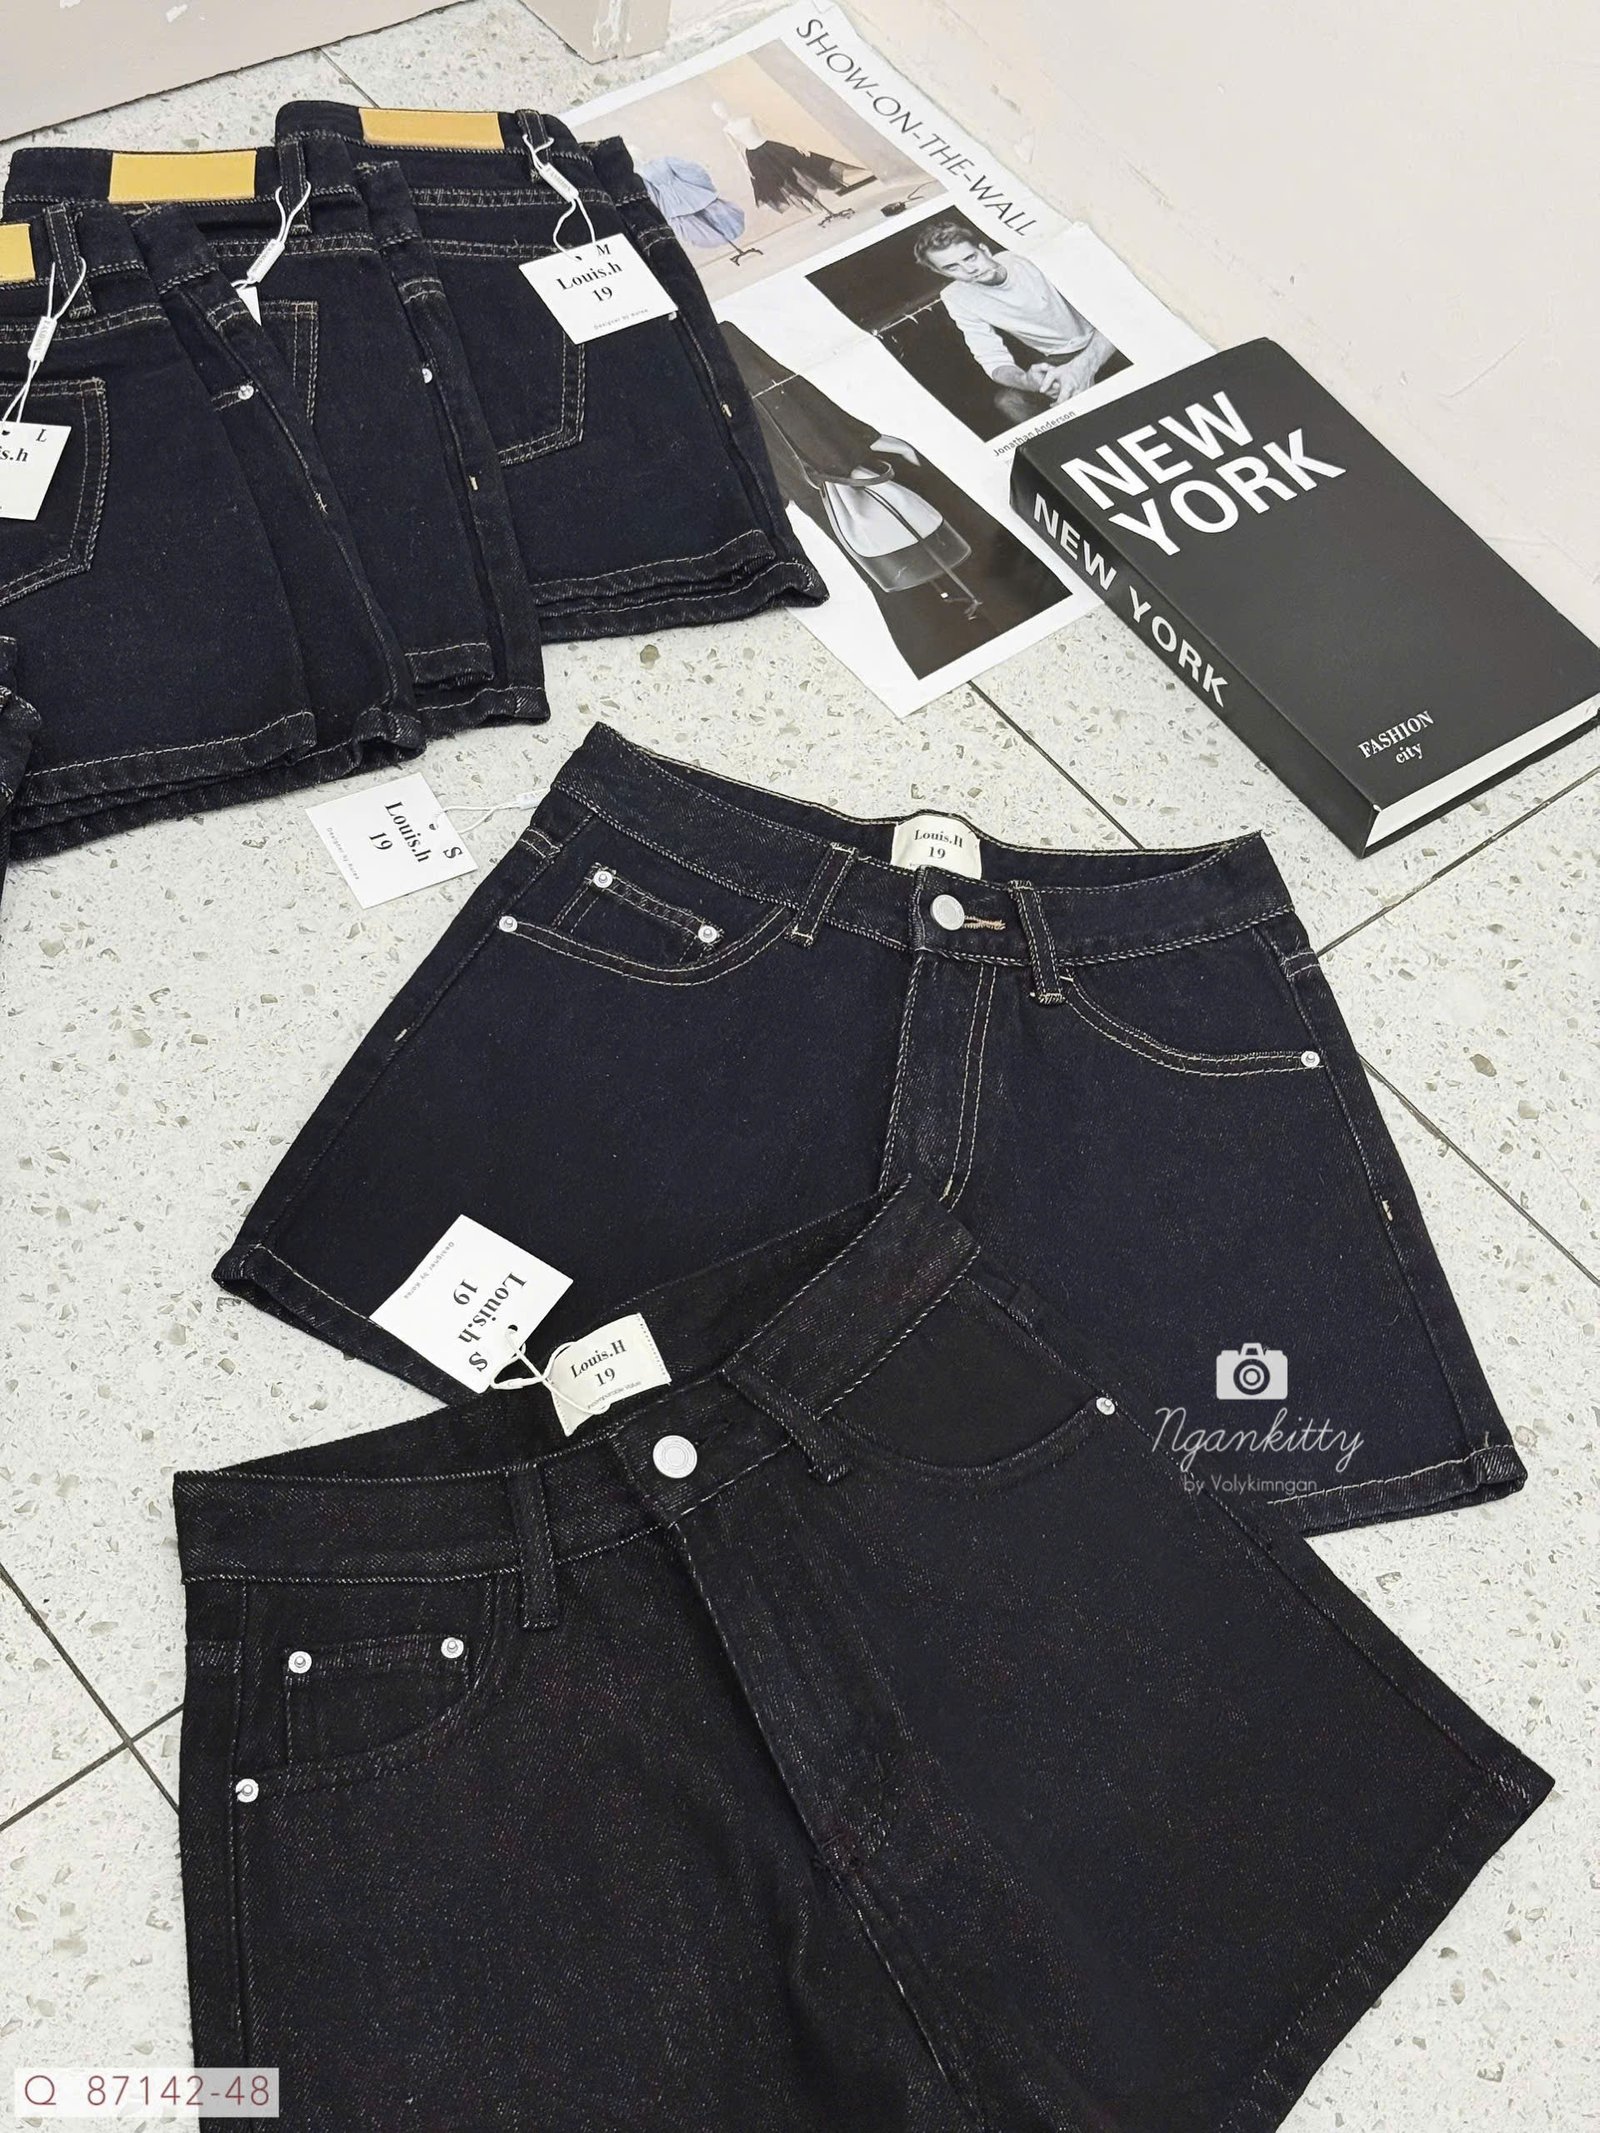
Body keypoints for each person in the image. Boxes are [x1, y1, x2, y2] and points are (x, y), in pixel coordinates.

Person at [914, 221, 1116, 423]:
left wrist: (1084, 366)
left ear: (984, 249)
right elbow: (992, 359)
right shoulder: (955, 296)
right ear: (941, 273)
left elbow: (1116, 311)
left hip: (1106, 333)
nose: (969, 269)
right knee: (1009, 402)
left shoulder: (1026, 256)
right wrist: (1027, 381)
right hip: (1060, 355)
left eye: (970, 257)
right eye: (952, 267)